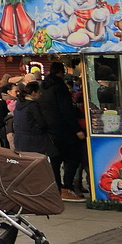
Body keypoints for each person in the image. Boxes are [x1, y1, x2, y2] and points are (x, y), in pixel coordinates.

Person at [39, 63, 87, 201]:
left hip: (50, 129)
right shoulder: (59, 87)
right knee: (73, 158)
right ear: (61, 72)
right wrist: (77, 129)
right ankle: (66, 188)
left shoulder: (43, 87)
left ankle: (57, 188)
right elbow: (66, 111)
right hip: (64, 129)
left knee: (55, 160)